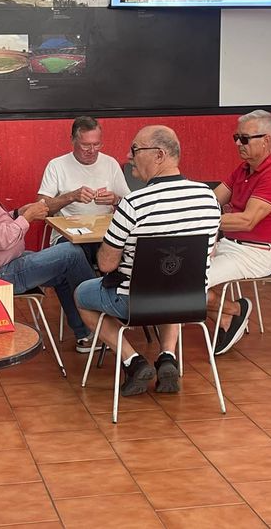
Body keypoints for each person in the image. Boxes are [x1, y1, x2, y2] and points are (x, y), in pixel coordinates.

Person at [74, 126, 221, 396]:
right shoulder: (208, 197)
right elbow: (208, 254)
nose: (129, 156)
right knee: (171, 282)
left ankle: (133, 361)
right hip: (190, 300)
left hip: (135, 301)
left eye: (135, 150)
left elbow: (106, 264)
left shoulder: (134, 203)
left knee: (82, 293)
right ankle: (167, 357)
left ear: (159, 155)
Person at [0, 134, 97, 352]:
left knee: (64, 264)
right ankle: (103, 322)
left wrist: (17, 213)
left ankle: (86, 334)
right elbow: (1, 239)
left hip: (6, 264)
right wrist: (28, 217)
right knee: (71, 253)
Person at [208, 111, 271, 355]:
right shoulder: (243, 169)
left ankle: (235, 310)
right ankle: (229, 315)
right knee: (176, 276)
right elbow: (212, 200)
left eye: (244, 139)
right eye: (236, 137)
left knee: (186, 283)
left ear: (266, 140)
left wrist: (202, 219)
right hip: (230, 245)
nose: (238, 143)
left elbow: (247, 221)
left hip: (256, 254)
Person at [37, 116, 130, 263]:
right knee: (77, 254)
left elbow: (130, 205)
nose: (92, 150)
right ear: (73, 141)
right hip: (68, 235)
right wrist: (71, 197)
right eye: (85, 145)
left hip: (105, 234)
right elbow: (41, 209)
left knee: (129, 251)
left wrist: (115, 200)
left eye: (97, 144)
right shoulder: (57, 165)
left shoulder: (110, 163)